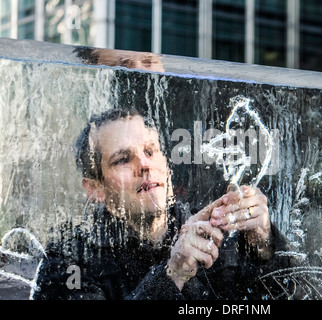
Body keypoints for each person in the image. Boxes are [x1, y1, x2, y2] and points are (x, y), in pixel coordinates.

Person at [32, 107, 296, 300]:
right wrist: (173, 274)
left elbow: (290, 295)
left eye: (150, 151)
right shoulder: (68, 257)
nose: (144, 165)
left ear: (167, 166)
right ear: (96, 189)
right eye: (123, 159)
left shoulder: (220, 233)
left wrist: (265, 247)